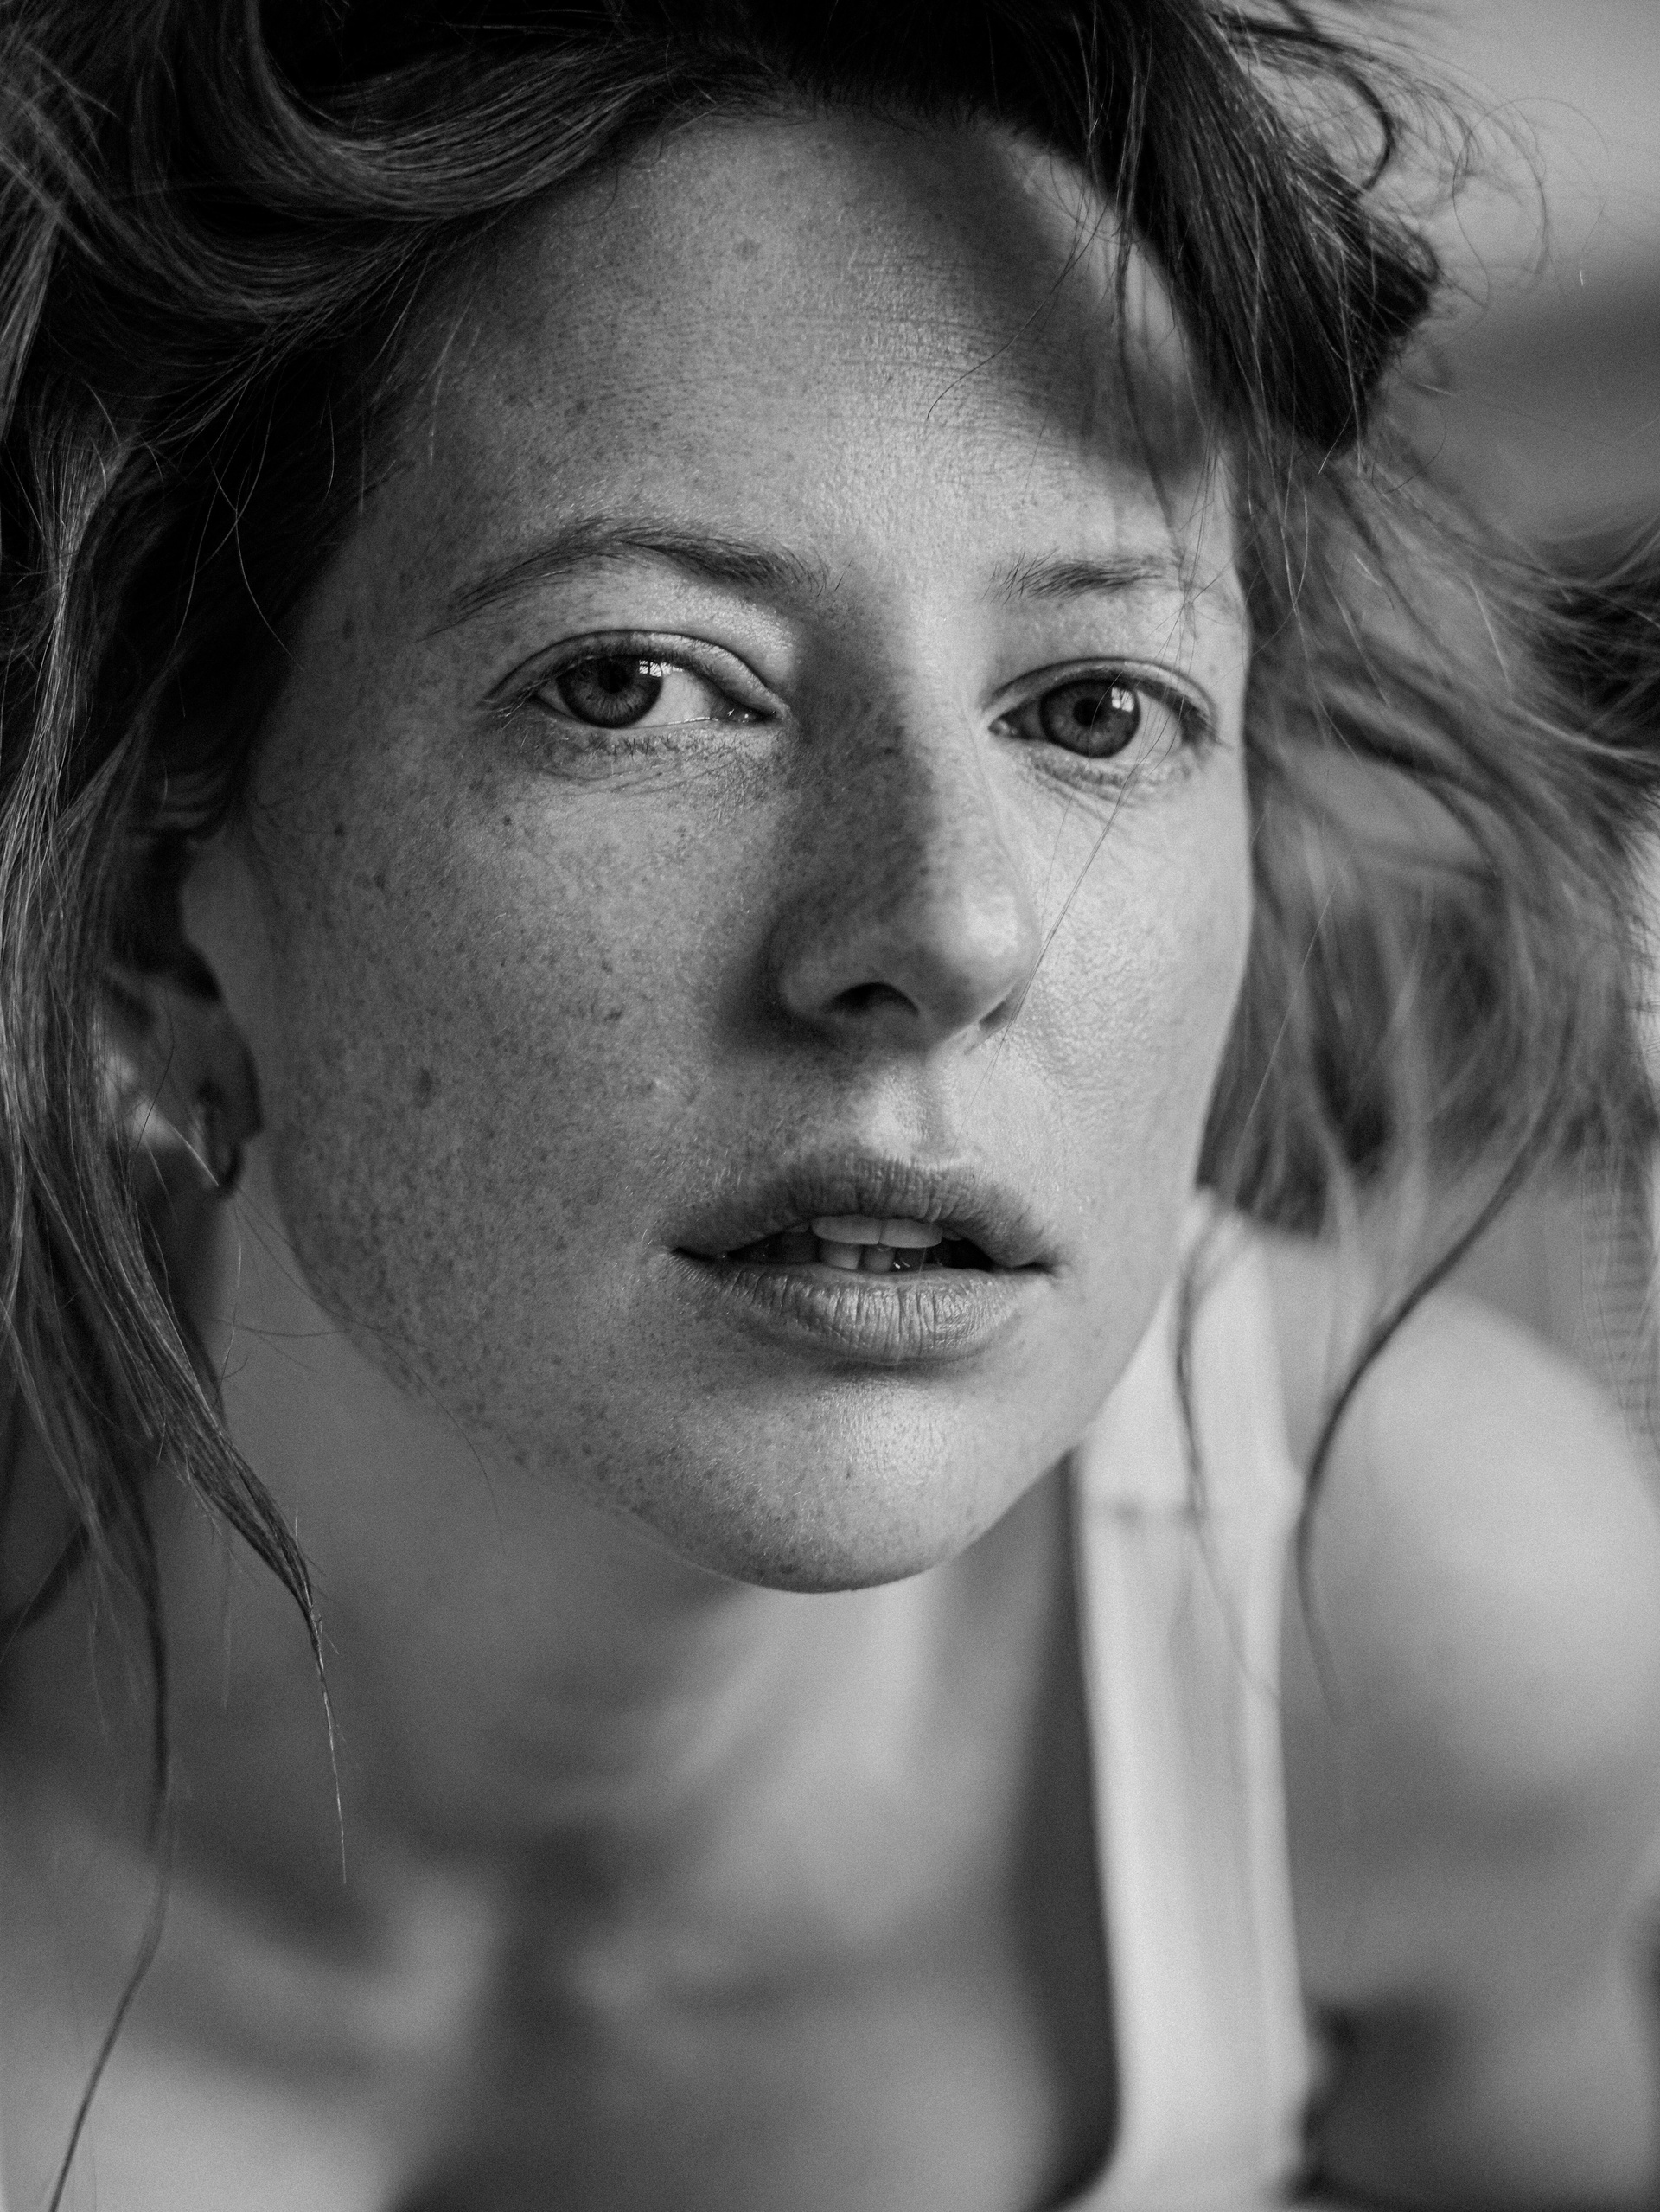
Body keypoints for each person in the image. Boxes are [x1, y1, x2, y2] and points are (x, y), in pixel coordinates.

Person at [0, 3, 1657, 2207]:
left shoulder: (1421, 1625)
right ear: (151, 912)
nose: (947, 927)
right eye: (636, 684)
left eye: (1095, 707)